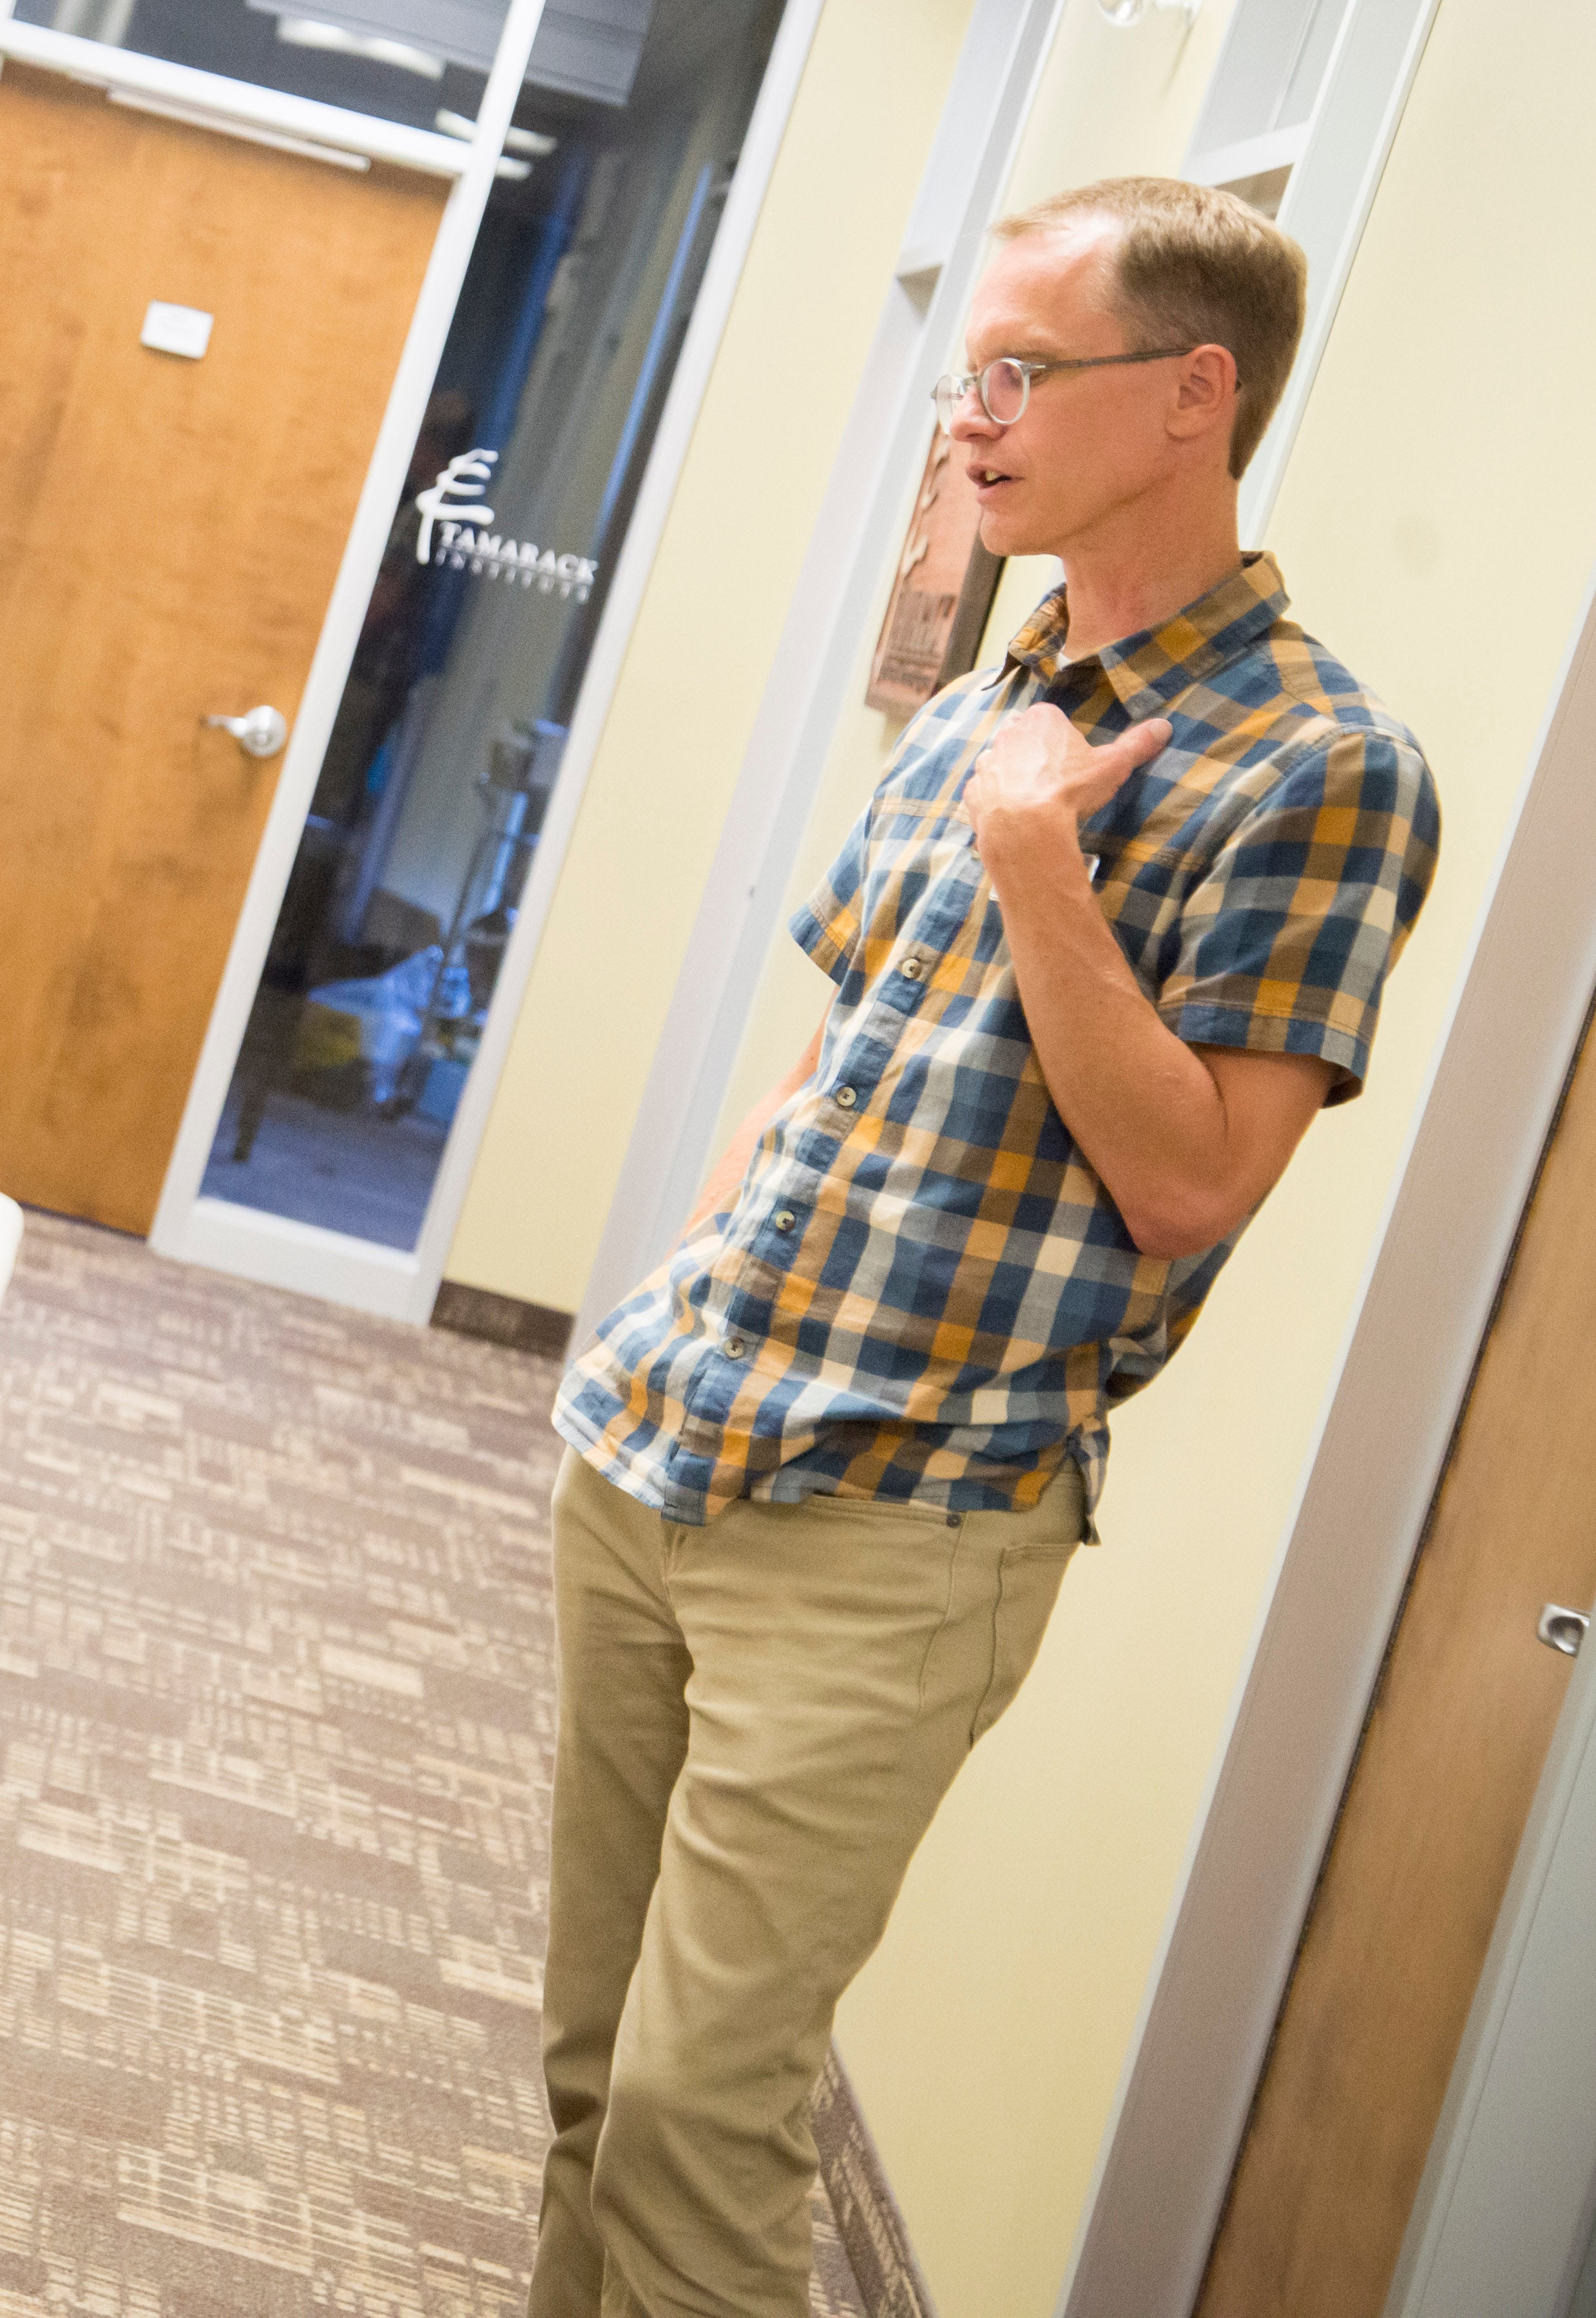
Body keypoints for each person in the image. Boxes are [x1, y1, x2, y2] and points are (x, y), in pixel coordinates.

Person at [528, 178, 1441, 2316]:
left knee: (695, 2109)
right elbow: (840, 1045)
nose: (969, 419)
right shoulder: (988, 686)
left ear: (1191, 398)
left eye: (1018, 372)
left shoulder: (1321, 765)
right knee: (589, 2071)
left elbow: (1195, 1181)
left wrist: (1042, 860)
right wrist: (669, 1301)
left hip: (899, 1516)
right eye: (968, 374)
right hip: (668, 1439)